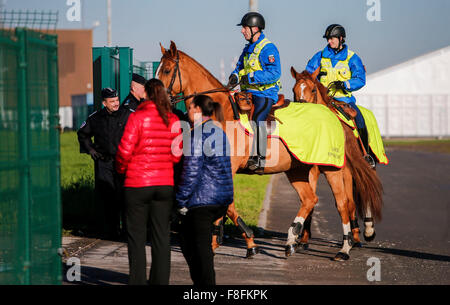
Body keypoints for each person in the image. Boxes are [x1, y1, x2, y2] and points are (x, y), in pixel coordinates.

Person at [115, 78, 182, 285]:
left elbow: (124, 151)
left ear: (147, 94)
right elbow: (177, 155)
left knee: (136, 238)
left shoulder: (137, 117)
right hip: (164, 185)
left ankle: (138, 282)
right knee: (161, 237)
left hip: (137, 184)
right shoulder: (173, 120)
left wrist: (122, 170)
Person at [176, 95, 234, 286]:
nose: (188, 111)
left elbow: (191, 172)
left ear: (198, 110)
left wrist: (181, 200)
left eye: (190, 108)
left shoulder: (197, 135)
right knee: (189, 240)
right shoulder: (220, 132)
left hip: (203, 200)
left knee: (200, 249)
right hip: (221, 198)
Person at [305, 24, 374, 166]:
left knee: (360, 120)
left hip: (344, 99)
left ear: (341, 39)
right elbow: (308, 74)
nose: (329, 42)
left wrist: (345, 84)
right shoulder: (320, 56)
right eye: (328, 39)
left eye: (332, 39)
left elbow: (360, 79)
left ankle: (365, 154)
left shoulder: (352, 58)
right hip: (323, 100)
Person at [228, 12, 281, 173]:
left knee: (258, 118)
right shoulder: (247, 49)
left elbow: (274, 73)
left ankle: (259, 158)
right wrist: (234, 76)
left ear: (255, 29)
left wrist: (250, 77)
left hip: (265, 94)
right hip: (248, 93)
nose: (242, 31)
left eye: (245, 28)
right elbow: (239, 68)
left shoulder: (268, 48)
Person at [77, 87, 130, 240]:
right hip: (105, 163)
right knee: (109, 197)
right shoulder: (95, 118)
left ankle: (127, 232)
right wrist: (90, 150)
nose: (116, 104)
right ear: (104, 103)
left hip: (123, 162)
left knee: (125, 197)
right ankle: (111, 231)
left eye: (117, 100)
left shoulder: (127, 115)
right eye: (112, 101)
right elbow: (82, 134)